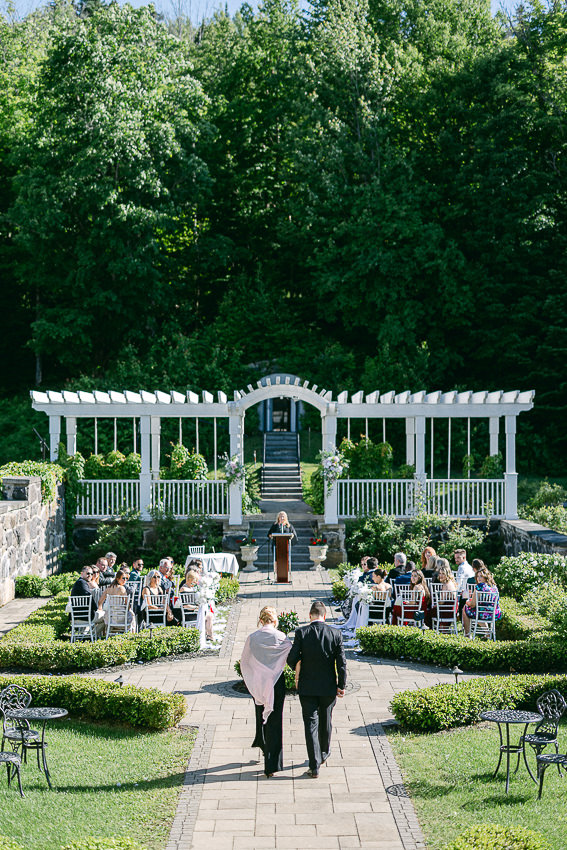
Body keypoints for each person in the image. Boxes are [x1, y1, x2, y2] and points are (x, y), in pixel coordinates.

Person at [288, 601, 347, 778]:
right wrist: (341, 685)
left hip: (307, 686)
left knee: (310, 724)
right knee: (326, 720)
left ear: (310, 616)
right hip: (328, 686)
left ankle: (314, 765)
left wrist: (299, 665)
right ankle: (324, 752)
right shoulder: (335, 633)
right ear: (325, 615)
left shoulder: (301, 632)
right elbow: (342, 663)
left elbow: (291, 658)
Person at [240, 606, 292, 778]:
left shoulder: (253, 638)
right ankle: (273, 764)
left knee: (261, 716)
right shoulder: (282, 637)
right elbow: (290, 656)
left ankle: (262, 744)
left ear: (261, 620)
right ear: (275, 620)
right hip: (276, 682)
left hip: (258, 683)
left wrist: (252, 677)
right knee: (276, 721)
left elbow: (245, 661)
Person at [462, 566, 501, 637]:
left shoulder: (479, 587)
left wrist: (467, 602)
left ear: (485, 577)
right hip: (494, 613)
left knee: (465, 608)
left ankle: (467, 635)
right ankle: (487, 633)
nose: (479, 578)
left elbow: (473, 604)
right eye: (477, 576)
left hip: (483, 614)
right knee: (478, 610)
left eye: (481, 576)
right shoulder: (494, 587)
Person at [178, 569, 214, 640]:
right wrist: (196, 608)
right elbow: (185, 605)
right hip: (189, 613)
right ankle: (209, 636)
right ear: (189, 579)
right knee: (209, 616)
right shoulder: (184, 589)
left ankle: (207, 634)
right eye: (195, 580)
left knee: (210, 615)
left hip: (194, 611)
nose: (196, 582)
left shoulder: (192, 588)